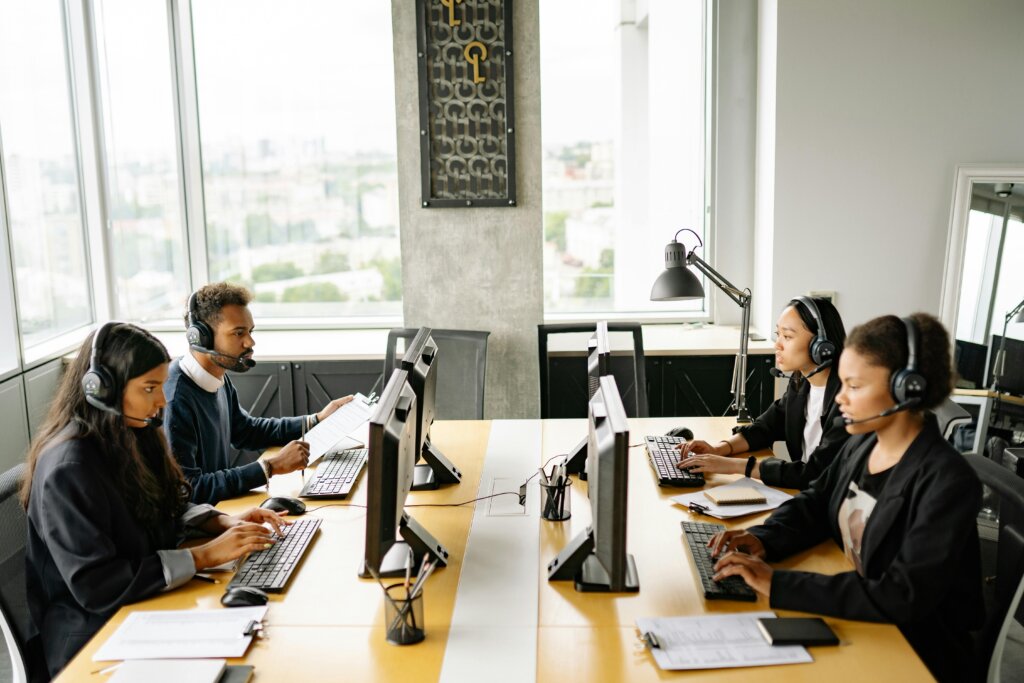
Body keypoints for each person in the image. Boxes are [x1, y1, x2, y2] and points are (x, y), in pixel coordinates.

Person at [708, 313, 984, 682]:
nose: (839, 398)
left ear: (907, 389)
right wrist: (763, 538)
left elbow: (902, 593)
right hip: (861, 619)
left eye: (853, 386)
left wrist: (778, 584)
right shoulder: (863, 443)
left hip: (912, 651)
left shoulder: (946, 480)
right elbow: (816, 501)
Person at [22, 323, 286, 679]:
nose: (162, 400)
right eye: (149, 388)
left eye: (161, 385)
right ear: (101, 389)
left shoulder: (130, 432)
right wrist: (204, 555)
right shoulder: (69, 468)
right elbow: (97, 586)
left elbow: (166, 504)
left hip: (141, 611)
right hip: (93, 637)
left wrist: (219, 522)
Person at [163, 283, 353, 504]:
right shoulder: (176, 400)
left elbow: (246, 431)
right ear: (201, 337)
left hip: (221, 514)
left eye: (250, 331)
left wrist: (316, 420)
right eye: (238, 333)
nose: (250, 342)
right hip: (200, 529)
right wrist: (269, 467)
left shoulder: (218, 377)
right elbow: (190, 489)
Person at [676, 296, 849, 489]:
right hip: (807, 497)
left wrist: (733, 466)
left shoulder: (848, 400)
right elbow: (766, 427)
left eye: (788, 336)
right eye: (778, 335)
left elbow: (815, 473)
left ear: (820, 346)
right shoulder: (800, 383)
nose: (778, 345)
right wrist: (719, 449)